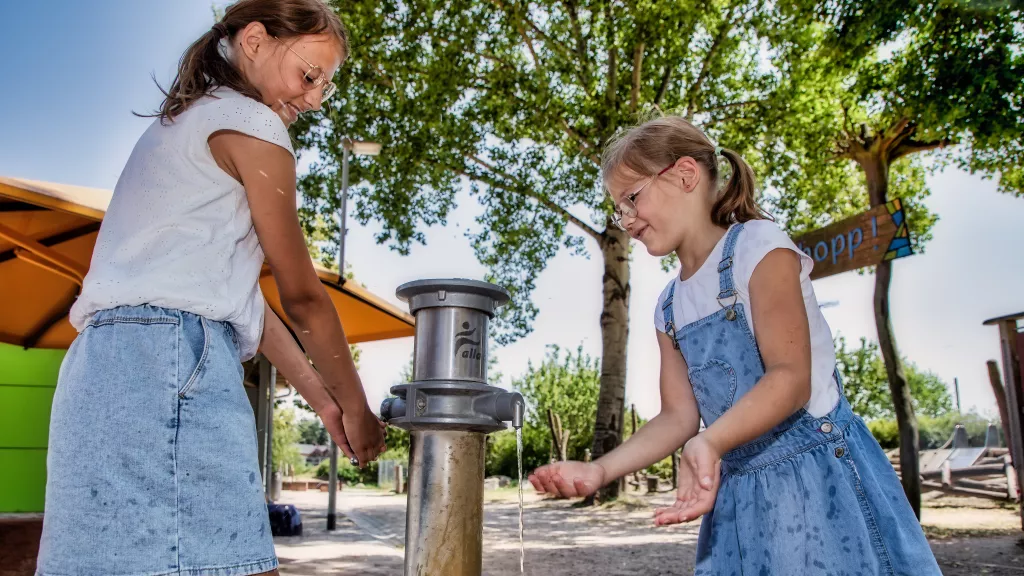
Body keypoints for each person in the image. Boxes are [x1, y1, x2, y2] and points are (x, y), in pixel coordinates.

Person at [36, 1, 385, 574]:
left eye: (325, 84)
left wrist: (325, 404)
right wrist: (359, 410)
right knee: (233, 564)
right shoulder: (254, 124)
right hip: (171, 361)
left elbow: (240, 300)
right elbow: (302, 299)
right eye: (309, 75)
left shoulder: (184, 122)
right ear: (255, 40)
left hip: (98, 370)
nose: (316, 98)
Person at [528, 116, 941, 574]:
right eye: (617, 210)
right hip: (740, 497)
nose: (626, 220)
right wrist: (602, 471)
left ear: (685, 175)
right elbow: (678, 417)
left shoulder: (758, 247)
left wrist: (711, 441)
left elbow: (791, 378)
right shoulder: (669, 306)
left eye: (631, 198)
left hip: (818, 478)